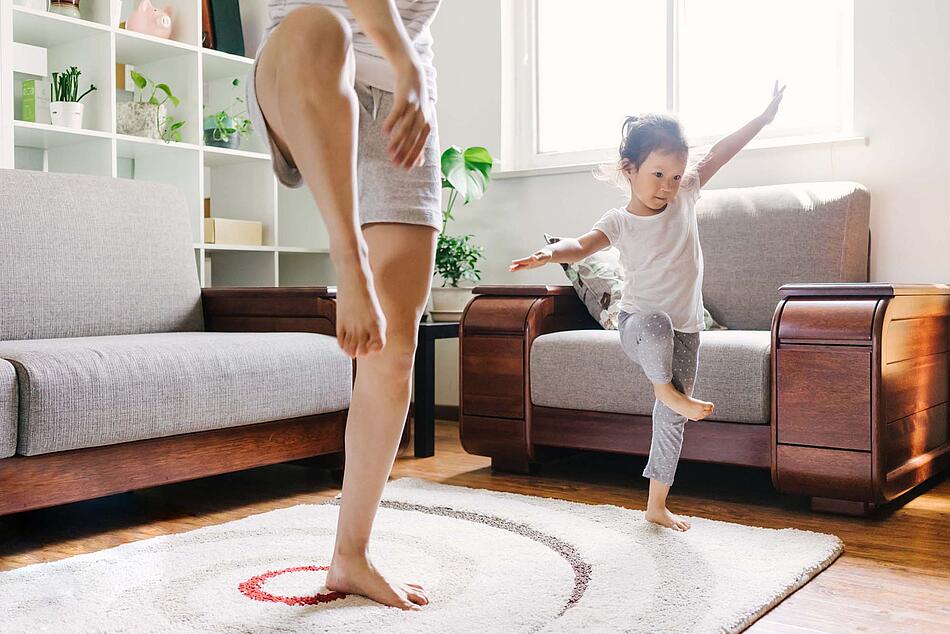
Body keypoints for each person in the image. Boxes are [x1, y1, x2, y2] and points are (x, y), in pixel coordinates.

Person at [509, 82, 786, 532]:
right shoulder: (619, 221)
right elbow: (581, 246)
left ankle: (656, 505)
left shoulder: (688, 194)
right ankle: (664, 388)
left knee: (672, 419)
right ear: (629, 169)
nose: (667, 187)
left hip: (686, 330)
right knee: (657, 331)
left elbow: (723, 150)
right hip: (637, 326)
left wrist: (763, 118)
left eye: (675, 177)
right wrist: (548, 254)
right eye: (657, 175)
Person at [247, 0, 442, 609]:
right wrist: (405, 62)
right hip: (303, 66)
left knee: (396, 346)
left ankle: (350, 557)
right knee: (321, 24)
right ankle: (347, 253)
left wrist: (410, 73)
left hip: (402, 102)